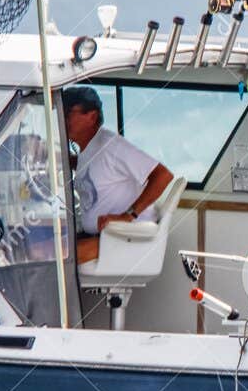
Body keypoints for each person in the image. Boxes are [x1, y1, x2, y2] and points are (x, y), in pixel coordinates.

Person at [63, 86, 175, 264]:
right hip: (100, 235)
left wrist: (128, 215)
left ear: (91, 116)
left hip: (122, 237)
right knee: (42, 249)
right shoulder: (89, 149)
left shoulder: (110, 145)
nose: (62, 118)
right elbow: (96, 167)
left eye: (68, 112)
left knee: (56, 256)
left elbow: (163, 176)